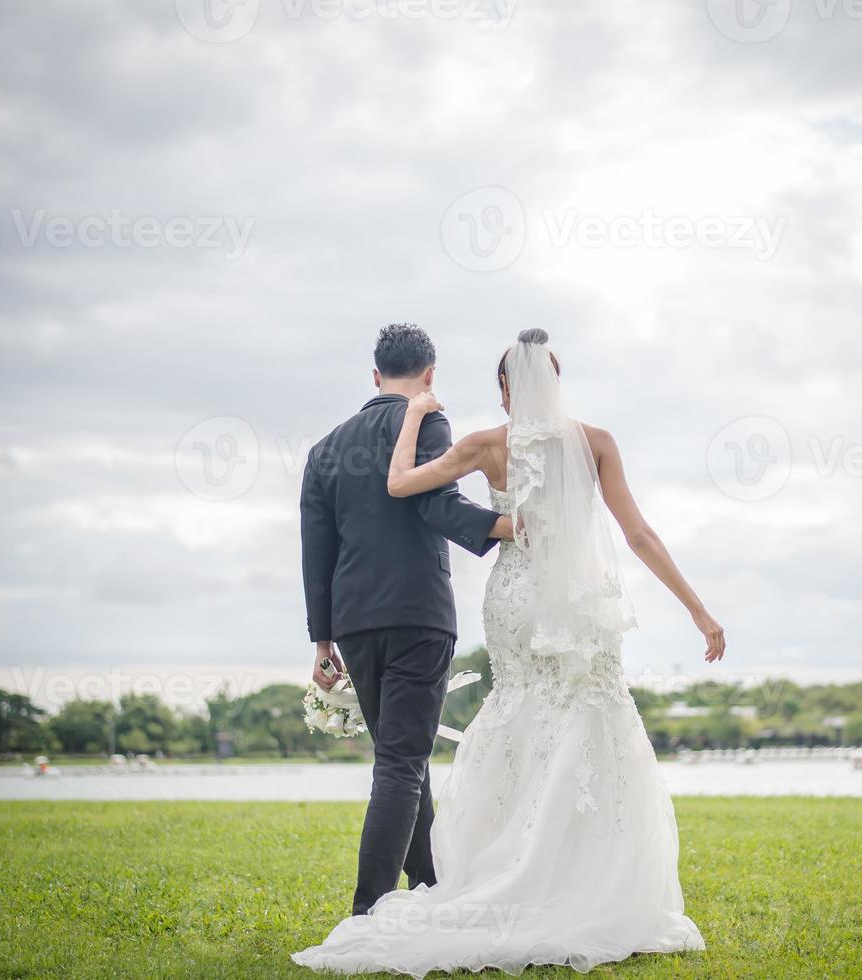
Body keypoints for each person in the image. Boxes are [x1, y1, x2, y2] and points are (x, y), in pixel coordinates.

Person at [293, 328, 725, 975]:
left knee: (507, 722)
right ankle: (570, 880)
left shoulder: (475, 444)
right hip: (575, 603)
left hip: (506, 602)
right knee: (586, 720)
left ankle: (471, 876)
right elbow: (637, 534)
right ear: (556, 382)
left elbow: (398, 486)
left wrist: (413, 416)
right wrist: (698, 609)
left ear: (503, 389)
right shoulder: (597, 442)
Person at [299, 323, 514, 917]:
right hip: (418, 615)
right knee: (401, 760)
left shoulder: (324, 450)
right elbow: (434, 500)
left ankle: (428, 887)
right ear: (429, 375)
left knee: (402, 755)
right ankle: (367, 912)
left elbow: (315, 552)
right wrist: (508, 527)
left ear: (374, 376)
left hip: (354, 624)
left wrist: (322, 640)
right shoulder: (426, 419)